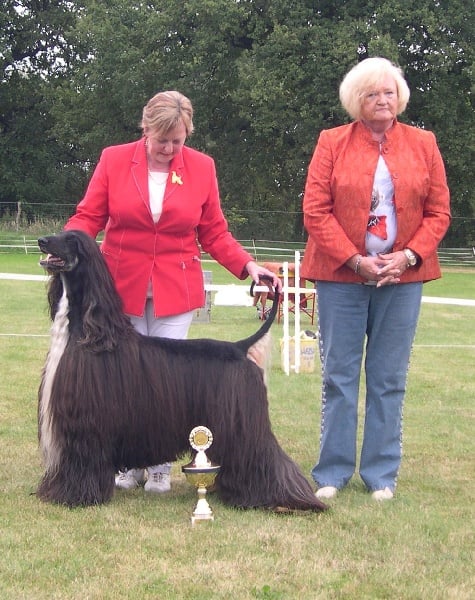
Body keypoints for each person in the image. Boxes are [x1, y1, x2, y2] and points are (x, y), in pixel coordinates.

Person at [64, 90, 281, 494]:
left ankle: (160, 465)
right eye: (161, 140)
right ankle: (126, 464)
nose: (168, 149)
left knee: (166, 384)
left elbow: (214, 232)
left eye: (176, 141)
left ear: (187, 134)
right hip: (120, 288)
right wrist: (67, 245)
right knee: (123, 381)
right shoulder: (114, 160)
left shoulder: (202, 167)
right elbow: (89, 216)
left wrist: (248, 266)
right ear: (145, 129)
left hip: (175, 288)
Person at [301, 57, 450, 501]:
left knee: (389, 379)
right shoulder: (331, 142)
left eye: (389, 92)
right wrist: (354, 260)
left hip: (402, 280)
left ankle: (381, 475)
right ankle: (332, 473)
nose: (382, 100)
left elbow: (439, 212)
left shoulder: (424, 143)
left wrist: (408, 256)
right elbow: (315, 211)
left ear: (400, 97)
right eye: (372, 93)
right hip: (340, 278)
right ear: (356, 101)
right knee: (339, 378)